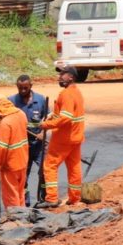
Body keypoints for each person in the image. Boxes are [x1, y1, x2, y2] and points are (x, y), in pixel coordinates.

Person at [37, 66, 86, 208]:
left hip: (63, 138)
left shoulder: (66, 94)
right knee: (74, 167)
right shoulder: (77, 92)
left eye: (63, 74)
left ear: (70, 77)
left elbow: (66, 118)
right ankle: (74, 198)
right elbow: (68, 113)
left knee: (50, 166)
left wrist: (46, 124)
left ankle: (51, 198)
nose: (59, 77)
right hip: (76, 137)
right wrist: (53, 114)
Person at [9, 75, 48, 205]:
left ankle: (44, 199)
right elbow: (2, 113)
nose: (23, 91)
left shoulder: (41, 100)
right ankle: (25, 203)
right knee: (22, 176)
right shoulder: (12, 101)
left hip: (38, 145)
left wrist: (43, 132)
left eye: (25, 88)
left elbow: (49, 119)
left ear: (31, 86)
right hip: (22, 146)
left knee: (45, 171)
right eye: (20, 88)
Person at [0, 96, 30, 210]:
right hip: (23, 161)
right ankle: (22, 215)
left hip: (10, 165)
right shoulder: (21, 114)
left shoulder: (5, 123)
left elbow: (2, 147)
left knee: (11, 195)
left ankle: (15, 220)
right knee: (20, 192)